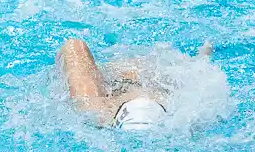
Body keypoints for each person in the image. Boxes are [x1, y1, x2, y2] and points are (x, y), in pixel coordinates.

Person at [57, 37, 212, 133]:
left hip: (118, 77)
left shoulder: (92, 107)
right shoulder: (184, 107)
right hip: (158, 73)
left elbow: (73, 45)